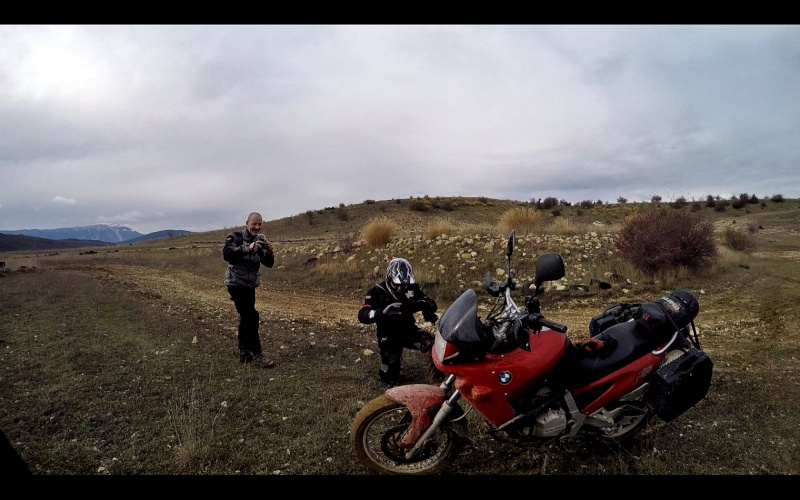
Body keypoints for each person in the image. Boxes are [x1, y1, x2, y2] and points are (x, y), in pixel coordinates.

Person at [358, 258, 439, 386]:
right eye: (397, 285)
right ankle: (390, 370)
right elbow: (363, 315)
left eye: (404, 285)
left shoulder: (411, 288)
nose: (401, 288)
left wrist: (428, 309)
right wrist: (382, 313)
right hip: (388, 335)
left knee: (432, 344)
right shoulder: (377, 291)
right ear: (389, 279)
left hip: (408, 331)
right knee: (389, 377)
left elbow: (426, 301)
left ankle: (436, 380)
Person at [223, 212, 275, 368]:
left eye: (260, 224)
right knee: (251, 315)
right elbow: (227, 254)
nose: (257, 227)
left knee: (246, 316)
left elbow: (269, 263)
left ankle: (244, 352)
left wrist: (269, 253)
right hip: (235, 283)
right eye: (254, 224)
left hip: (250, 285)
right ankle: (257, 353)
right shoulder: (236, 237)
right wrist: (247, 248)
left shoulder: (261, 240)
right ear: (247, 223)